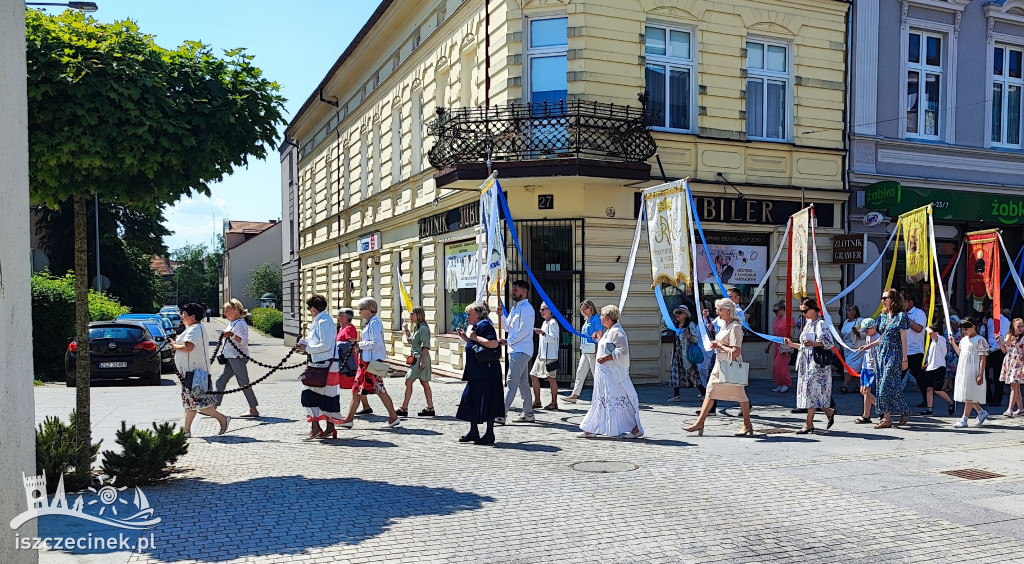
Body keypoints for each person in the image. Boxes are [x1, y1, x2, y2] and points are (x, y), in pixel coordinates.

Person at [685, 298, 753, 436]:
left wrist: (719, 345)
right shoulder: (724, 325)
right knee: (710, 391)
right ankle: (700, 422)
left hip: (731, 364)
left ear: (728, 311)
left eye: (720, 310)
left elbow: (736, 351)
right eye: (717, 309)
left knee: (740, 395)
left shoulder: (735, 327)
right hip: (720, 363)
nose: (717, 312)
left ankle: (747, 424)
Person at [578, 305, 644, 438]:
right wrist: (599, 340)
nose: (600, 318)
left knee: (617, 401)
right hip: (605, 374)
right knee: (602, 400)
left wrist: (607, 357)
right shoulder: (610, 331)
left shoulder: (617, 332)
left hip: (613, 375)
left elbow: (623, 351)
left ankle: (635, 428)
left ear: (607, 318)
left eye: (602, 315)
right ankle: (591, 427)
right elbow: (609, 347)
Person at [338, 297, 401, 429]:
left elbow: (376, 343)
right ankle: (349, 419)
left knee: (380, 390)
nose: (360, 313)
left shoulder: (374, 323)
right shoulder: (370, 323)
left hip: (372, 363)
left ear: (369, 309)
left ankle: (393, 417)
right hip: (366, 363)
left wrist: (359, 344)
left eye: (361, 309)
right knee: (357, 390)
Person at [170, 302, 229, 438]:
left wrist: (174, 346)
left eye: (184, 315)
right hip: (191, 373)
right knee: (190, 403)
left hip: (195, 373)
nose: (181, 317)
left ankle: (222, 418)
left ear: (192, 316)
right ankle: (186, 431)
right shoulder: (192, 328)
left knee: (198, 404)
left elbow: (188, 347)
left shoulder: (195, 329)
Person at [784, 298, 836, 434]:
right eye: (802, 311)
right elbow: (803, 346)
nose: (803, 314)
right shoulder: (808, 324)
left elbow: (829, 343)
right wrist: (791, 344)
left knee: (811, 393)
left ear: (813, 309)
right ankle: (828, 411)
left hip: (817, 365)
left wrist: (813, 344)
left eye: (805, 311)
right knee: (811, 393)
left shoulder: (821, 324)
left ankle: (809, 424)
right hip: (806, 364)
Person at [859, 288, 910, 429]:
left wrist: (905, 359)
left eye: (885, 298)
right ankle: (887, 418)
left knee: (887, 384)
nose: (882, 300)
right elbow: (882, 337)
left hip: (895, 353)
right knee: (884, 385)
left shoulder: (901, 316)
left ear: (893, 300)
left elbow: (904, 339)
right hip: (882, 353)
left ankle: (904, 410)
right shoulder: (882, 317)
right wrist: (868, 346)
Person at [455, 302, 504, 445]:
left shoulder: (485, 325)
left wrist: (475, 338)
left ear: (477, 314)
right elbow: (477, 345)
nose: (467, 317)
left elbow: (493, 343)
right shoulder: (478, 326)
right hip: (476, 373)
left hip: (486, 373)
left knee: (487, 402)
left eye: (469, 314)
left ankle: (489, 434)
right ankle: (474, 431)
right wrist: (467, 338)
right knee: (470, 399)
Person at [298, 294, 343, 439]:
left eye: (309, 308)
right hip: (320, 364)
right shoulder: (321, 320)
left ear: (313, 308)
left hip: (326, 365)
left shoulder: (323, 321)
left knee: (322, 396)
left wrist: (307, 349)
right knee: (316, 395)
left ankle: (322, 428)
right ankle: (321, 427)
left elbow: (326, 345)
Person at [498, 280, 535, 424]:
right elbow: (508, 328)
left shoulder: (527, 309)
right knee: (523, 383)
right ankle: (528, 413)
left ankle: (501, 414)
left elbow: (524, 331)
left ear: (524, 292)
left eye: (516, 290)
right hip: (516, 349)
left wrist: (508, 341)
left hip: (521, 350)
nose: (513, 292)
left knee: (511, 382)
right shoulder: (515, 308)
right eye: (513, 289)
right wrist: (501, 315)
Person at [214, 298, 259, 418]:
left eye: (227, 310)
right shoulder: (233, 323)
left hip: (237, 357)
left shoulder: (240, 324)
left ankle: (253, 409)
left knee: (243, 383)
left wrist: (232, 335)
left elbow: (243, 342)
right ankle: (213, 407)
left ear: (235, 310)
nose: (225, 313)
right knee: (221, 381)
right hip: (231, 357)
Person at [949, 318, 989, 428]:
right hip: (964, 369)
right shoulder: (963, 340)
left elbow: (982, 358)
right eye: (963, 329)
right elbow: (960, 354)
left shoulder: (980, 340)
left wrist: (980, 374)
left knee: (969, 394)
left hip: (974, 369)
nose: (964, 331)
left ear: (973, 327)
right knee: (967, 393)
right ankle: (981, 412)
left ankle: (964, 419)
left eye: (966, 329)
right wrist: (953, 344)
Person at [397, 306, 435, 417]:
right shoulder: (417, 328)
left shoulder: (423, 329)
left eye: (412, 314)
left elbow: (425, 346)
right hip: (416, 359)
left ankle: (404, 408)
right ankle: (430, 407)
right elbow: (411, 341)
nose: (410, 316)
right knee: (424, 383)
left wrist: (423, 361)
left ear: (418, 315)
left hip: (420, 359)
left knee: (409, 381)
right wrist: (406, 330)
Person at [334, 307, 371, 416]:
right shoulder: (342, 328)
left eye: (339, 316)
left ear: (346, 317)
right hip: (343, 362)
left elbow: (353, 344)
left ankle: (363, 407)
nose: (337, 318)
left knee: (355, 385)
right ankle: (366, 406)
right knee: (355, 386)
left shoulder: (349, 328)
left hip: (348, 363)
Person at [564, 300, 602, 403]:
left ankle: (601, 395)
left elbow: (599, 334)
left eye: (585, 309)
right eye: (582, 310)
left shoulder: (596, 318)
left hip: (593, 349)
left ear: (591, 308)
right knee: (580, 372)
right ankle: (574, 395)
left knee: (596, 373)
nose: (583, 311)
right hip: (585, 349)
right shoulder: (587, 320)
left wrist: (598, 347)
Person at [922, 321, 955, 416]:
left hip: (939, 367)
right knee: (929, 388)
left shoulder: (940, 339)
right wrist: (927, 364)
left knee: (937, 389)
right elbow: (934, 356)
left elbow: (930, 332)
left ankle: (950, 402)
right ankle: (929, 409)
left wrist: (927, 327)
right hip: (932, 367)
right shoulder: (933, 342)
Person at [901, 290, 928, 407]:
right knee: (898, 376)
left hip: (915, 351)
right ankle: (891, 399)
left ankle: (927, 400)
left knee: (920, 377)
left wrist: (907, 318)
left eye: (904, 302)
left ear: (910, 302)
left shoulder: (919, 313)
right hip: (903, 351)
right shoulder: (899, 314)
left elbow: (918, 328)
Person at [530, 302, 560, 411]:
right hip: (541, 355)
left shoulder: (553, 323)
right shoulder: (545, 323)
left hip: (550, 355)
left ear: (550, 310)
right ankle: (537, 401)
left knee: (551, 378)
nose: (541, 312)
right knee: (533, 375)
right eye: (541, 309)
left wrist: (542, 333)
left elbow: (553, 338)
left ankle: (554, 402)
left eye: (543, 309)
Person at [668, 305, 701, 401]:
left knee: (692, 374)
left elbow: (696, 339)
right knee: (675, 374)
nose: (677, 315)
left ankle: (703, 392)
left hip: (686, 354)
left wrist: (688, 335)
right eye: (676, 313)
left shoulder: (690, 325)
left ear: (685, 314)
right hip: (677, 354)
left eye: (680, 312)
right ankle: (676, 395)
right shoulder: (676, 326)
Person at [854, 318, 879, 424]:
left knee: (866, 391)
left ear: (873, 328)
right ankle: (876, 409)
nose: (865, 333)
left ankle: (868, 414)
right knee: (863, 391)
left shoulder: (878, 338)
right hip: (866, 365)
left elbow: (877, 354)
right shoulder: (869, 337)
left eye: (867, 330)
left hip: (872, 367)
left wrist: (875, 367)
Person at [998, 317, 1024, 417]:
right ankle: (1020, 408)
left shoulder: (1022, 339)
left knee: (1014, 385)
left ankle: (1010, 409)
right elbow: (1005, 351)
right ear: (1013, 327)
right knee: (1015, 386)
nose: (1020, 328)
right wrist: (999, 343)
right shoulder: (1008, 337)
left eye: (1022, 326)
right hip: (1009, 362)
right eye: (1018, 326)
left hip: (1018, 363)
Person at [985, 307, 1010, 407]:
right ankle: (988, 397)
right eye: (990, 309)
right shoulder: (990, 320)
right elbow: (985, 333)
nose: (991, 310)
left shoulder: (1004, 321)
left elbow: (1002, 338)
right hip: (989, 348)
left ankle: (997, 399)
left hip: (998, 350)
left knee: (998, 376)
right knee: (984, 374)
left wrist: (992, 349)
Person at [766, 301, 793, 393]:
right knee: (775, 366)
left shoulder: (789, 319)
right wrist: (769, 345)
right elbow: (774, 333)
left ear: (782, 310)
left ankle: (786, 383)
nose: (775, 313)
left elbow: (791, 333)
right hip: (776, 344)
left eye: (776, 311)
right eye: (774, 311)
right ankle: (780, 383)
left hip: (785, 344)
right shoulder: (777, 319)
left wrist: (789, 342)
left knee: (780, 365)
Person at [839, 305, 866, 394]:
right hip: (847, 348)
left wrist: (857, 332)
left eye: (849, 310)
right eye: (847, 310)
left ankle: (844, 386)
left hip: (857, 347)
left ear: (854, 312)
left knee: (849, 365)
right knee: (855, 367)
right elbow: (843, 335)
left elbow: (865, 333)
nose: (847, 312)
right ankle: (859, 387)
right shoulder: (846, 322)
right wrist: (841, 346)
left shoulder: (860, 321)